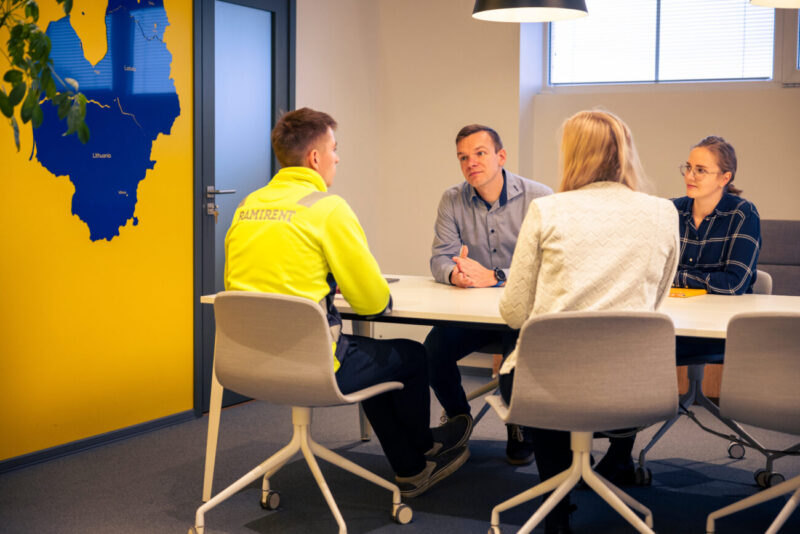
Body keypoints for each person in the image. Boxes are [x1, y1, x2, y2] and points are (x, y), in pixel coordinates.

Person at [224, 107, 468, 498]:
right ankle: (418, 458)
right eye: (334, 149)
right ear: (314, 158)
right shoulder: (327, 208)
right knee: (409, 356)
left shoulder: (246, 207)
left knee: (372, 358)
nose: (337, 158)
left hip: (250, 363)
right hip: (314, 365)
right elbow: (372, 302)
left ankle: (413, 459)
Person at [497, 110, 679, 533]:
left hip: (548, 388)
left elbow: (514, 312)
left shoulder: (547, 210)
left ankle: (556, 515)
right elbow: (654, 302)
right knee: (558, 373)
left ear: (573, 154)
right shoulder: (664, 212)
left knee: (543, 371)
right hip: (631, 387)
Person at [425, 124, 553, 465]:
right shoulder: (452, 199)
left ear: (501, 156)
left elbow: (551, 263)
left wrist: (495, 276)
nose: (471, 163)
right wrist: (455, 274)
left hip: (523, 314)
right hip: (475, 315)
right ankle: (458, 418)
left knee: (513, 366)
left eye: (480, 154)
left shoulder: (539, 198)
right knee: (432, 351)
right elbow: (439, 258)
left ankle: (519, 425)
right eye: (463, 157)